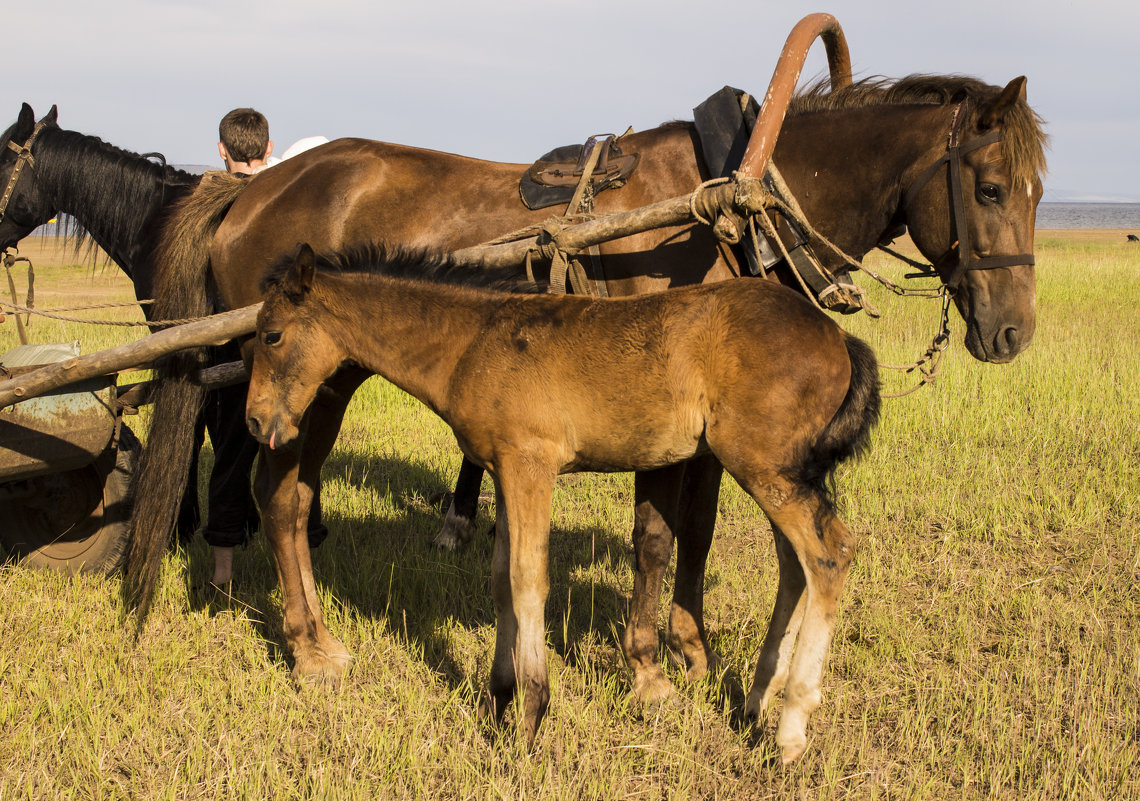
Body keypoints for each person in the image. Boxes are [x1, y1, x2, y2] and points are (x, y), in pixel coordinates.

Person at [181, 107, 328, 591]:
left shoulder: (210, 203)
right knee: (299, 444)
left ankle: (223, 571)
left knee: (228, 455)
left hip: (228, 347)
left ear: (222, 150)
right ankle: (309, 547)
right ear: (268, 148)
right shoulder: (287, 199)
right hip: (285, 355)